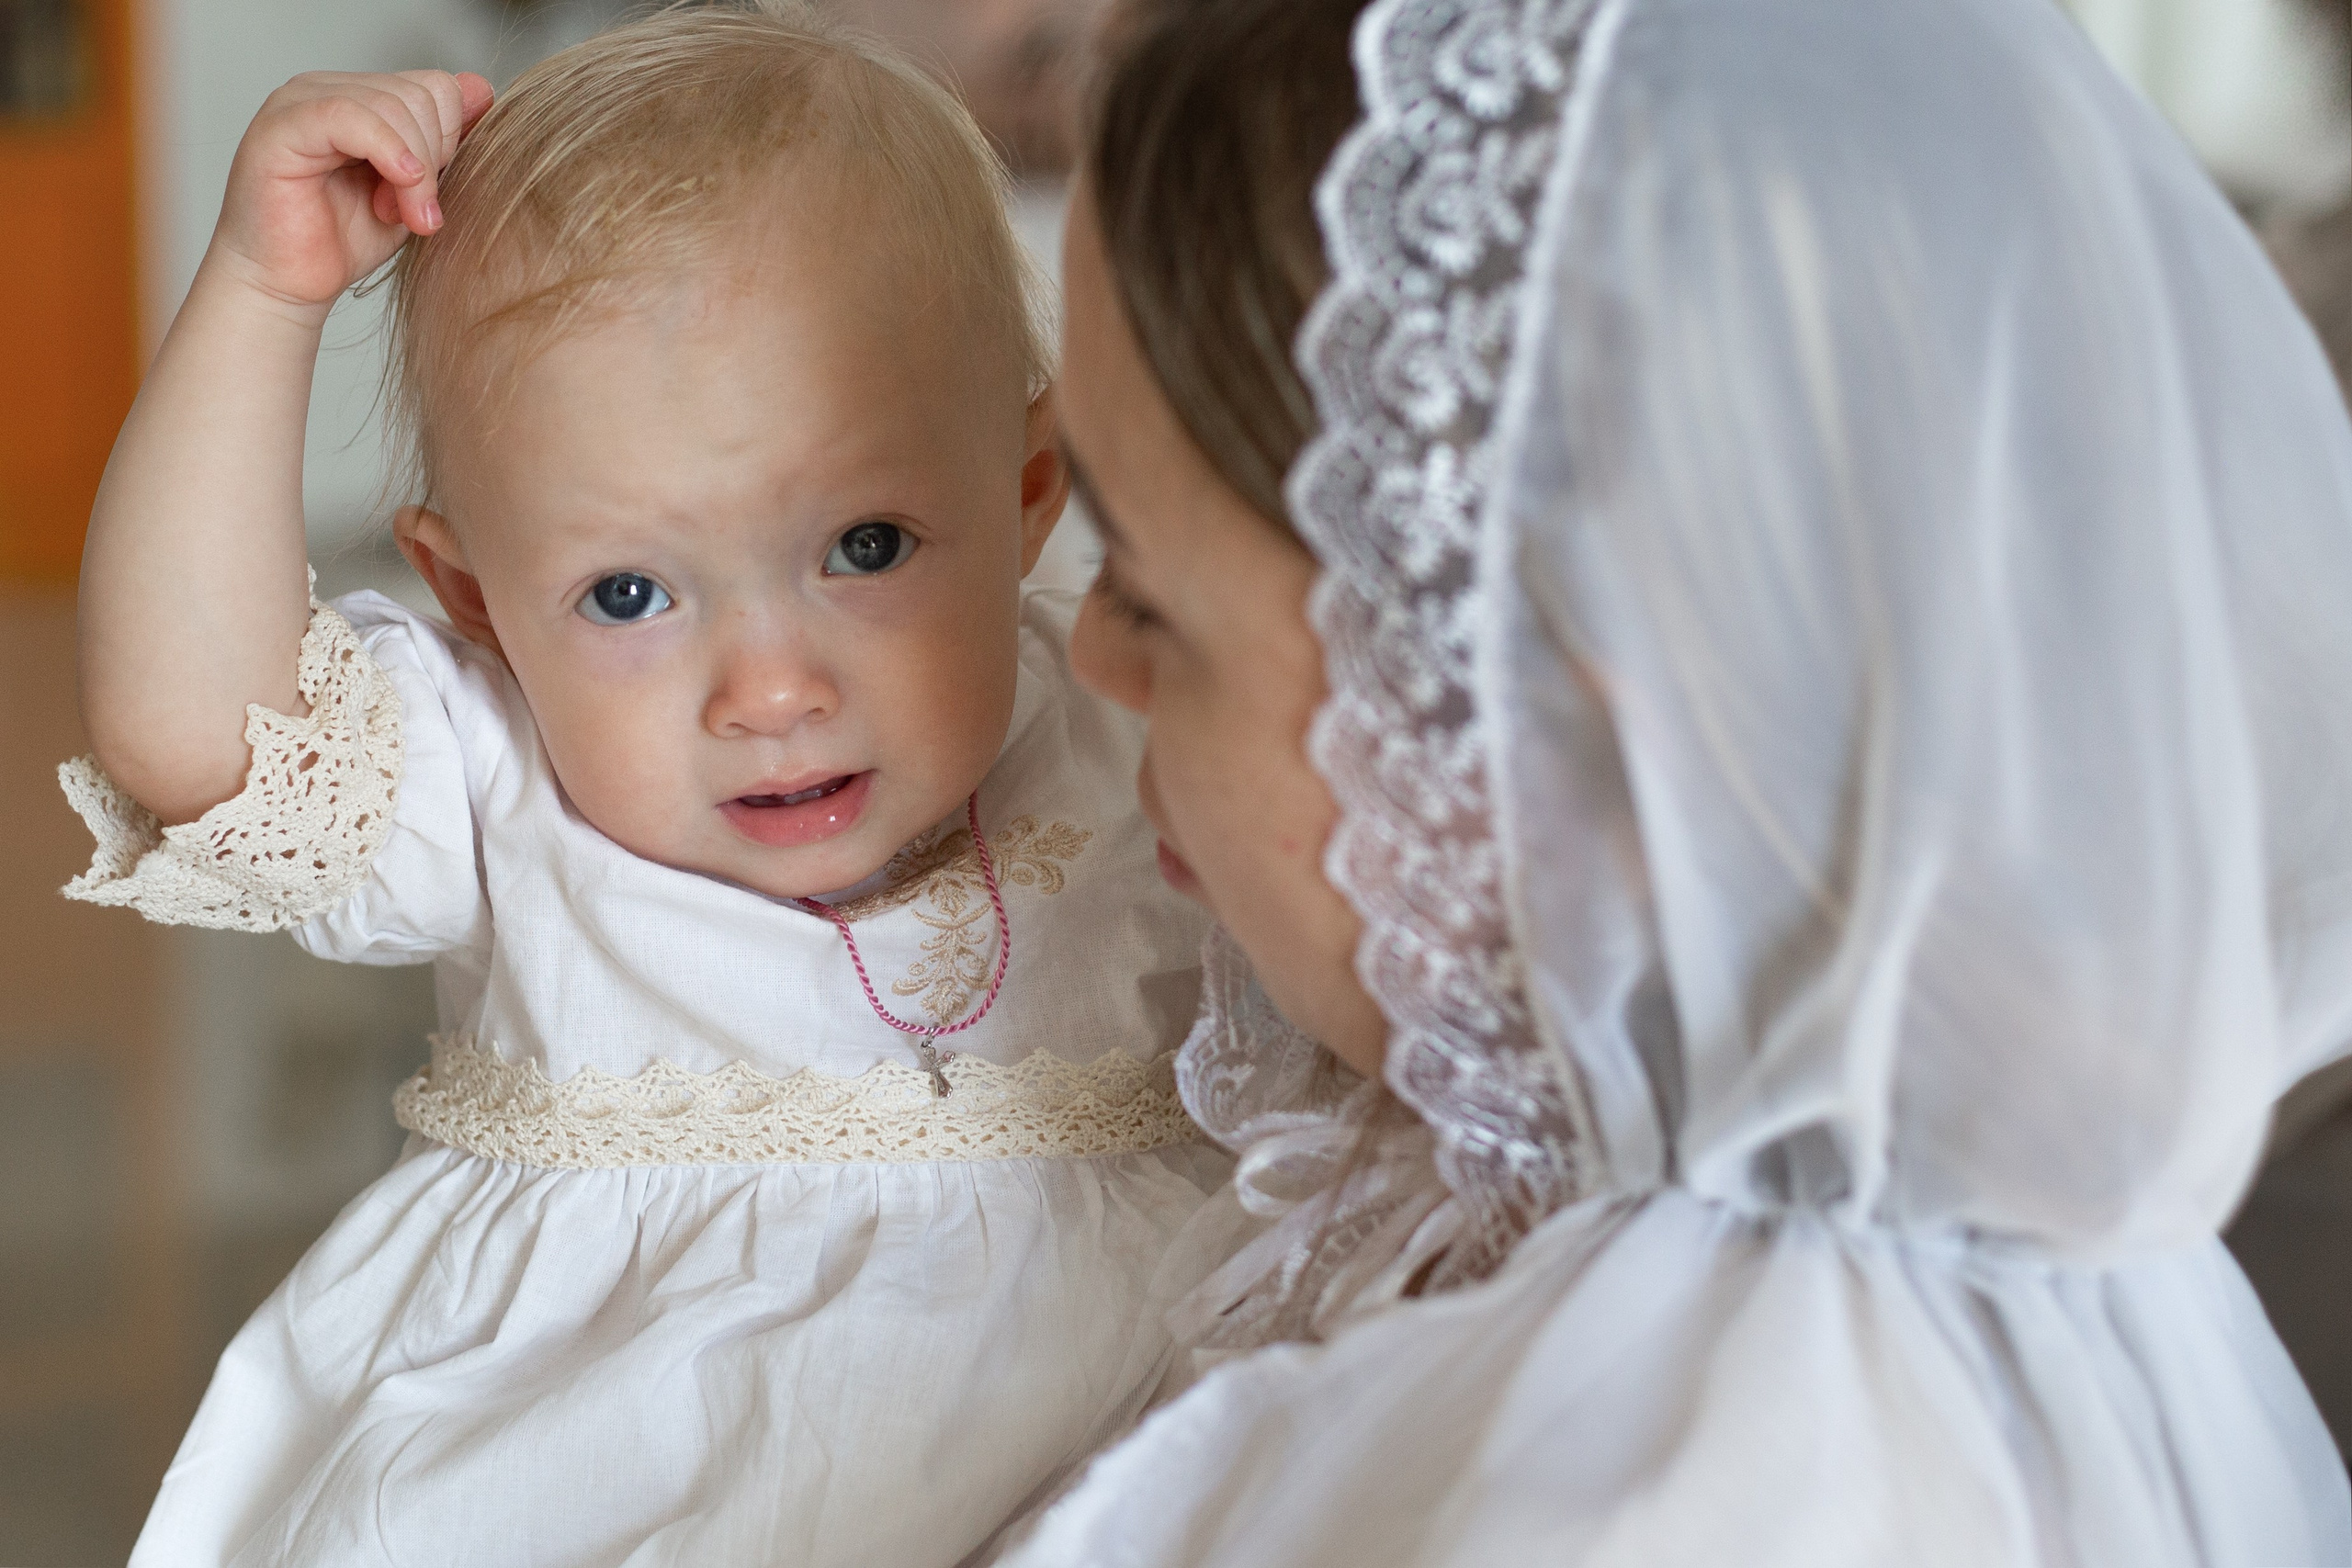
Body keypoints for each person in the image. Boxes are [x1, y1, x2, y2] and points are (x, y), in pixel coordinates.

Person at [1006, 0, 2352, 1559]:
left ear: (1572, 746)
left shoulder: (1712, 1487)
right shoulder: (1872, 1240)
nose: (1089, 655)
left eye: (1147, 594)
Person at [62, 5, 1219, 1562]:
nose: (772, 692)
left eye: (865, 547)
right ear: (477, 600)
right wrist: (265, 295)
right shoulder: (499, 773)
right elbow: (194, 738)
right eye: (628, 596)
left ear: (1023, 496)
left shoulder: (1140, 718)